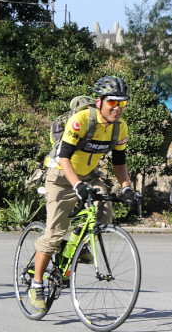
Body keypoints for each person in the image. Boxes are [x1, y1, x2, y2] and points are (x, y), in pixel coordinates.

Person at [29, 76, 135, 312]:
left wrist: (126, 187)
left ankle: (80, 244)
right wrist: (75, 184)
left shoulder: (120, 128)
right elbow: (64, 156)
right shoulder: (81, 120)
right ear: (100, 102)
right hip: (61, 176)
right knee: (54, 235)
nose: (117, 109)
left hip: (88, 176)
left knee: (105, 214)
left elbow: (119, 161)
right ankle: (36, 284)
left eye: (122, 104)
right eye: (113, 103)